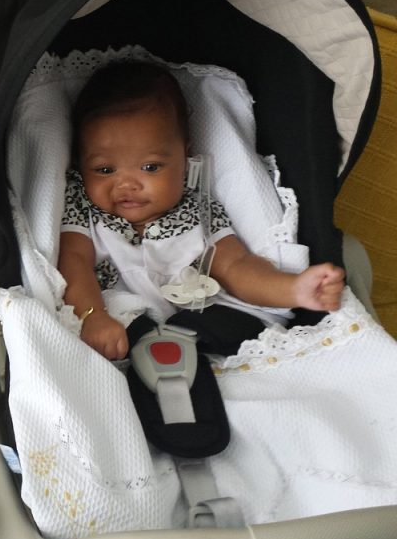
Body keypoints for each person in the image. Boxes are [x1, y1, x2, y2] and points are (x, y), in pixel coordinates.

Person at [57, 60, 345, 361]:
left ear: (186, 159)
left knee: (235, 323)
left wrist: (293, 288)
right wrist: (92, 315)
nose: (127, 184)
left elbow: (237, 267)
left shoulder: (198, 209)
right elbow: (74, 264)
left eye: (150, 167)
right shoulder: (83, 207)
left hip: (197, 321)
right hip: (117, 318)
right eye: (105, 169)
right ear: (80, 165)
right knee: (125, 323)